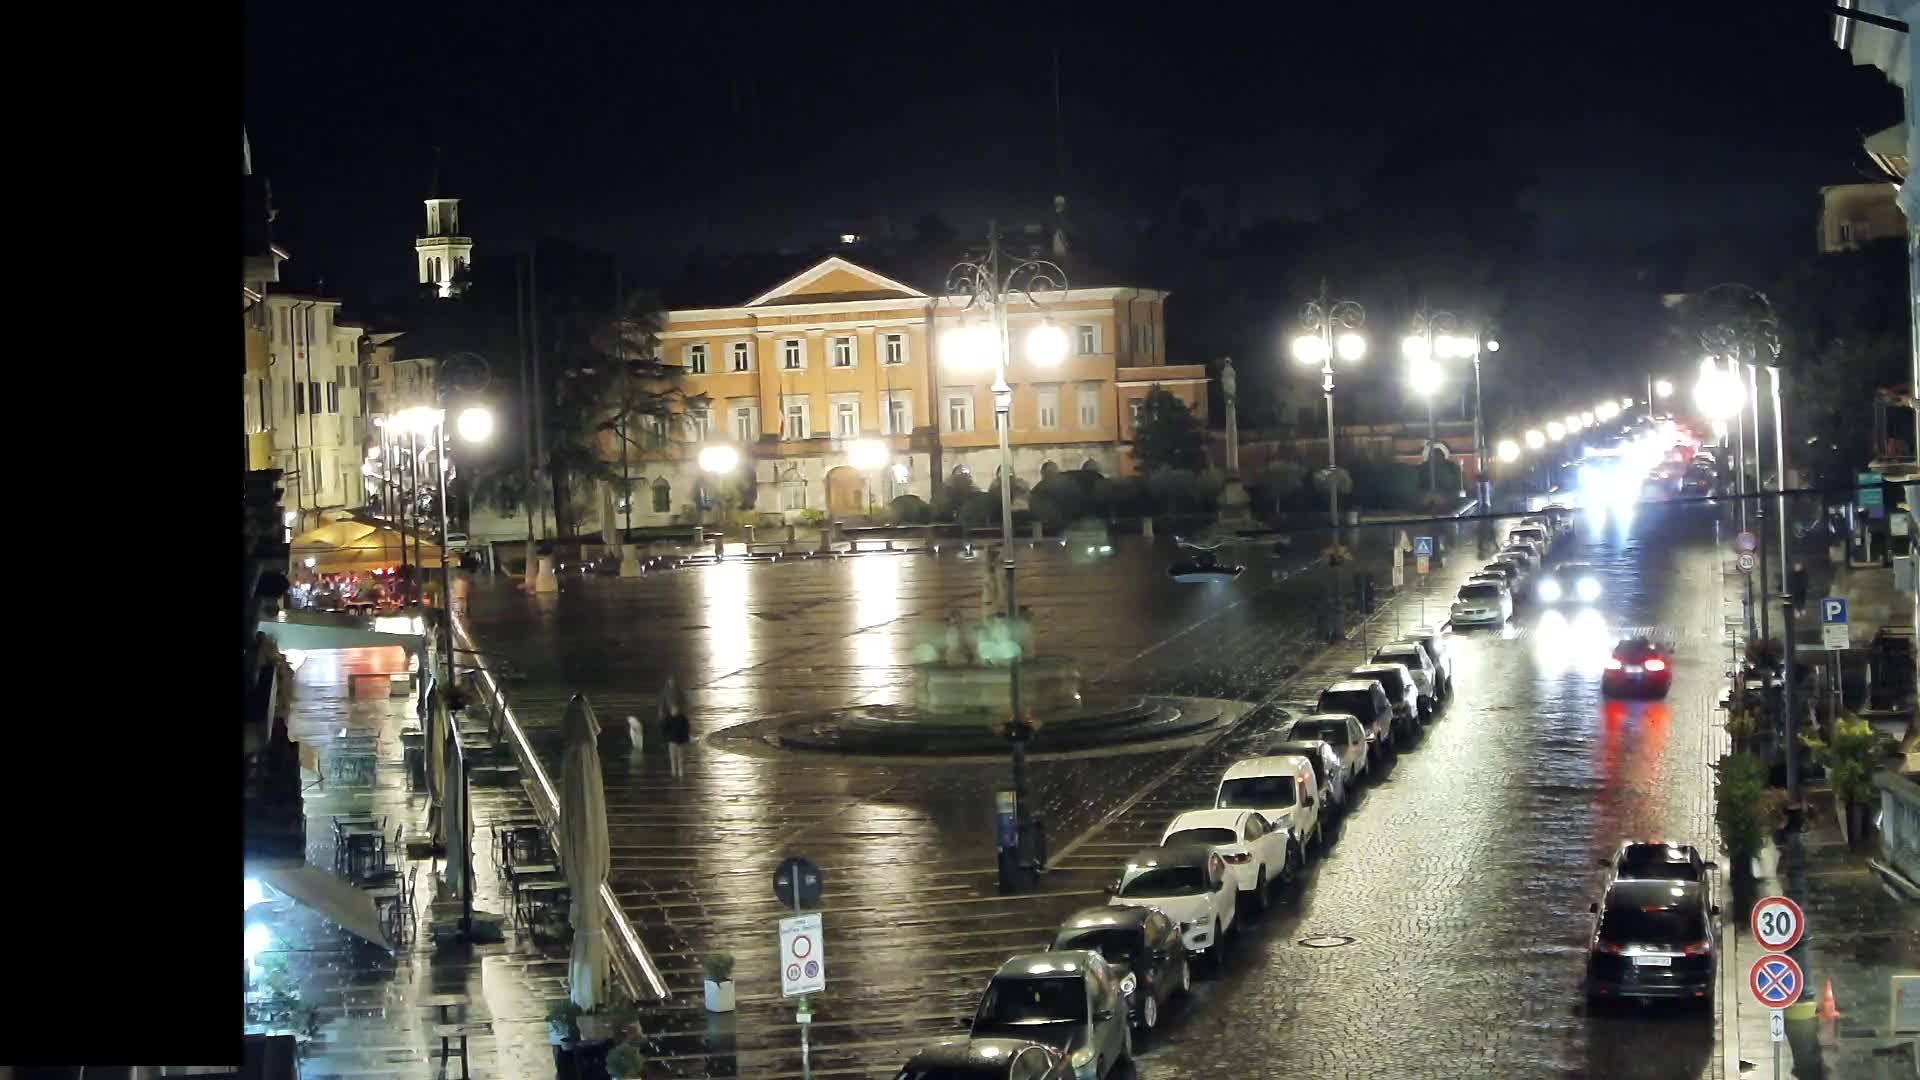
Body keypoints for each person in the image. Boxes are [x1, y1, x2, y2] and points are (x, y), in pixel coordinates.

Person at [659, 676, 691, 778]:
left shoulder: (681, 718)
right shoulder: (666, 692)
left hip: (679, 740)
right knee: (673, 757)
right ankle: (674, 771)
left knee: (680, 757)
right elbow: (663, 702)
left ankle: (679, 771)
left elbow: (686, 728)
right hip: (673, 740)